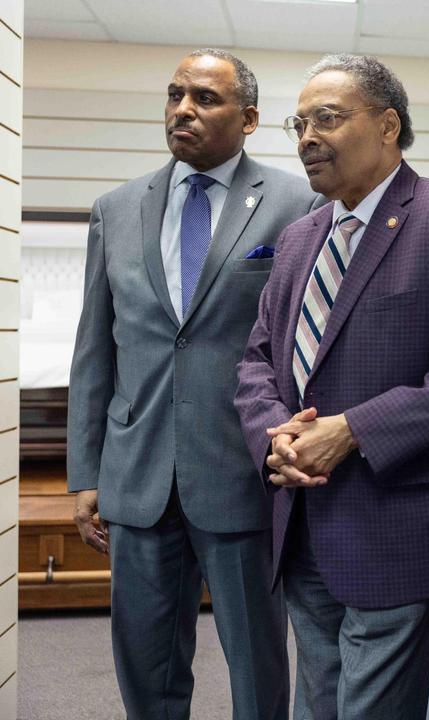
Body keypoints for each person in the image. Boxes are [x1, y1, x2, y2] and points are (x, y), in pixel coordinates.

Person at [234, 53, 429, 718]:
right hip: (301, 519)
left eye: (326, 119)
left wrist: (352, 430)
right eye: (297, 124)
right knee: (319, 703)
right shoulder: (300, 238)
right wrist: (273, 436)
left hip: (392, 525)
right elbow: (257, 360)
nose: (306, 137)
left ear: (387, 126)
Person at [68, 48, 322, 719]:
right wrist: (85, 472)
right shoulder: (115, 210)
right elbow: (95, 350)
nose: (183, 108)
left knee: (257, 661)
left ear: (249, 119)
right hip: (136, 472)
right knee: (144, 661)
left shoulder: (300, 204)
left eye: (205, 98)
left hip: (243, 470)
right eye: (175, 94)